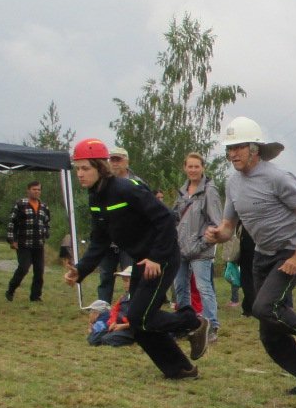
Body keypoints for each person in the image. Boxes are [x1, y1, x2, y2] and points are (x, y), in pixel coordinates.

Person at [65, 137, 209, 379]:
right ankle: (180, 370)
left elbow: (165, 218)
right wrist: (80, 270)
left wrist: (156, 257)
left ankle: (192, 321)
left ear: (100, 167)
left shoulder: (126, 188)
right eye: (77, 169)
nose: (80, 174)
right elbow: (99, 240)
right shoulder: (95, 198)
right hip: (142, 261)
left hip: (161, 258)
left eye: (85, 168)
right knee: (139, 321)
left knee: (137, 316)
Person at [204, 117, 296, 395]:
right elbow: (228, 226)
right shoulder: (232, 183)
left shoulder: (277, 178)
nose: (233, 154)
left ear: (254, 149)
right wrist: (217, 234)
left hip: (288, 252)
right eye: (230, 148)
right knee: (270, 334)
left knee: (264, 308)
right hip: (262, 255)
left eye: (239, 147)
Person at [172, 152, 224, 345]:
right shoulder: (182, 192)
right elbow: (176, 218)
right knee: (180, 287)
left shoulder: (210, 191)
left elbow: (216, 223)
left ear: (203, 168)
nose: (193, 170)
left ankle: (211, 327)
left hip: (201, 250)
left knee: (204, 288)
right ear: (184, 168)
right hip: (180, 248)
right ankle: (185, 324)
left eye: (197, 166)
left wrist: (201, 243)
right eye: (190, 166)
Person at [93, 146, 144, 303]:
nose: (114, 163)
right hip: (108, 239)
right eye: (112, 160)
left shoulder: (137, 183)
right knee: (105, 275)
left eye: (118, 160)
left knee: (130, 275)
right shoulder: (102, 183)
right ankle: (103, 307)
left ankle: (132, 306)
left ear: (126, 161)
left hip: (130, 240)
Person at [4, 180, 52, 301]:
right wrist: (12, 240)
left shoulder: (44, 206)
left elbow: (47, 222)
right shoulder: (20, 204)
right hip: (24, 243)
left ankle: (35, 296)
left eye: (39, 190)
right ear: (28, 190)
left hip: (38, 244)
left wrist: (46, 233)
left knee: (39, 271)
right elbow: (12, 223)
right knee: (24, 268)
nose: (36, 192)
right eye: (34, 189)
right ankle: (11, 290)